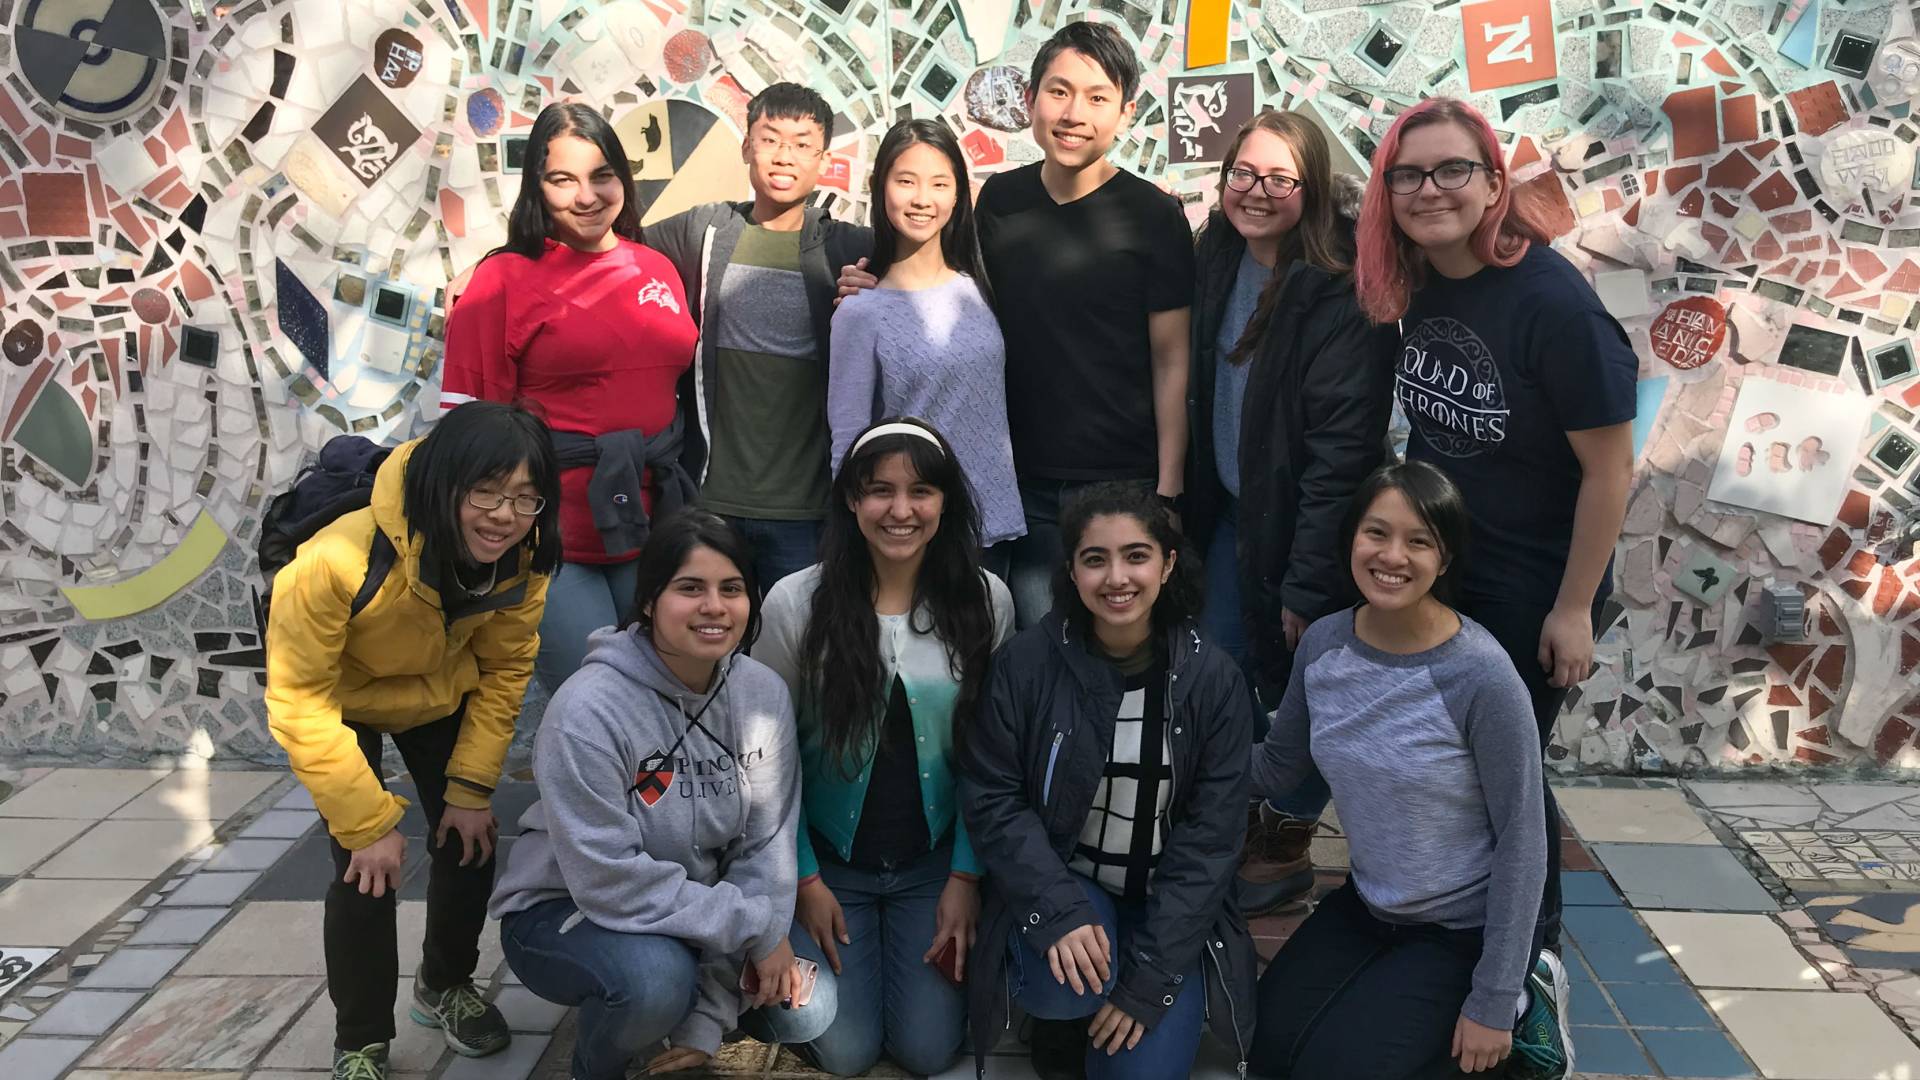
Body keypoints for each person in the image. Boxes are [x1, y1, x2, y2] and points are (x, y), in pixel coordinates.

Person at [1353, 97, 1637, 946]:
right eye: (1407, 173)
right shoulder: (1425, 283)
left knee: (1505, 780)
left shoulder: (1555, 307)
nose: (1429, 189)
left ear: (1492, 184)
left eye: (1452, 170)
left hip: (1536, 585)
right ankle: (1462, 940)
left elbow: (1610, 470)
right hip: (1456, 570)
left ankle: (1531, 960)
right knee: (1462, 770)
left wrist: (1575, 607)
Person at [842, 22, 1195, 627]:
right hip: (1017, 484)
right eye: (1059, 92)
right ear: (1029, 100)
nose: (1074, 113)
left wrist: (1166, 489)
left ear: (1127, 111)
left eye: (1097, 97)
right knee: (1032, 646)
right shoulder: (1000, 201)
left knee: (1121, 645)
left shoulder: (1155, 216)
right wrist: (873, 283)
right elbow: (941, 279)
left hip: (1122, 480)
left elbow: (1172, 358)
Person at [264, 401, 561, 1080]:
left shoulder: (523, 557)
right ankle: (361, 1038)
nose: (504, 515)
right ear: (442, 483)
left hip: (437, 689)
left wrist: (472, 787)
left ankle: (445, 983)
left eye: (525, 497)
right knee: (365, 870)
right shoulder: (334, 558)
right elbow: (297, 700)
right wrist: (368, 824)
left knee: (472, 835)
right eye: (485, 492)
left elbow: (507, 667)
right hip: (340, 701)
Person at [1247, 462, 1572, 1080]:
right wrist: (1171, 754)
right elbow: (1276, 766)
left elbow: (1524, 842)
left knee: (1338, 1071)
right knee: (1268, 1049)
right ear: (1351, 540)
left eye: (1418, 541)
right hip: (1368, 906)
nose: (1392, 556)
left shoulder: (1481, 675)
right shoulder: (1323, 645)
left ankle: (1529, 1005)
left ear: (1444, 560)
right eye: (1376, 533)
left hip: (1464, 928)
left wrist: (1493, 1002)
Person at [488, 510, 830, 1079]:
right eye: (689, 588)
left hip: (695, 908)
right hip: (566, 908)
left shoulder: (762, 693)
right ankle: (600, 1062)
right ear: (648, 600)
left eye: (732, 589)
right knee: (651, 985)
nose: (714, 607)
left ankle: (675, 1023)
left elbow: (765, 847)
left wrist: (708, 1018)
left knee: (808, 1014)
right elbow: (609, 879)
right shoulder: (588, 711)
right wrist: (756, 930)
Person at [959, 483, 1258, 1080]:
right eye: (1095, 559)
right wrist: (1056, 909)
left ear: (1168, 564)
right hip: (1070, 886)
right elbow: (992, 795)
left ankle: (1123, 994)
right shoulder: (1027, 663)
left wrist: (1149, 980)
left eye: (1137, 555)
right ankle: (1063, 1017)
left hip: (1164, 907)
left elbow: (1211, 842)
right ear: (1069, 570)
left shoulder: (1214, 680)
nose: (1116, 577)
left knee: (1140, 1074)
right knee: (1063, 989)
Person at [753, 417, 1016, 1076]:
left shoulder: (986, 602)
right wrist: (804, 881)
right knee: (844, 1051)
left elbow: (995, 758)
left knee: (927, 1051)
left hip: (931, 867)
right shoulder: (794, 604)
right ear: (851, 500)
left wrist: (965, 877)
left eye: (921, 491)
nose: (901, 510)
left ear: (945, 500)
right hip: (826, 865)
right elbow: (764, 763)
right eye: (880, 491)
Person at [1184, 110, 1398, 914]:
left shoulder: (1343, 292)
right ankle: (1244, 828)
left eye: (1280, 178)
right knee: (1222, 671)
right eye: (1244, 173)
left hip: (1307, 533)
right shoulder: (1216, 255)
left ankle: (1285, 837)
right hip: (1233, 520)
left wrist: (1309, 585)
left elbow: (1341, 457)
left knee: (1311, 689)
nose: (1258, 192)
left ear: (1310, 191)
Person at [442, 103, 699, 696]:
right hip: (550, 540)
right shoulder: (500, 281)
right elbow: (467, 426)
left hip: (655, 525)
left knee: (667, 693)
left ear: (623, 181)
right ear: (537, 184)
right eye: (563, 179)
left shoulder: (657, 266)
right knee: (595, 699)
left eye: (602, 175)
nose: (586, 195)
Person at [646, 83, 874, 592]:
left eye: (801, 144)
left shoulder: (850, 248)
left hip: (806, 512)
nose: (783, 157)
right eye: (770, 139)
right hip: (711, 502)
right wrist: (495, 260)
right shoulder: (704, 231)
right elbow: (610, 245)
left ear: (824, 159)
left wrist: (877, 293)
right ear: (746, 146)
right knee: (704, 652)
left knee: (793, 659)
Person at [826, 121, 1024, 558]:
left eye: (938, 183)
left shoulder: (983, 287)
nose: (921, 199)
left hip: (997, 523)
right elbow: (848, 438)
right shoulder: (860, 311)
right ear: (880, 188)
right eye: (905, 181)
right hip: (910, 529)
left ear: (958, 193)